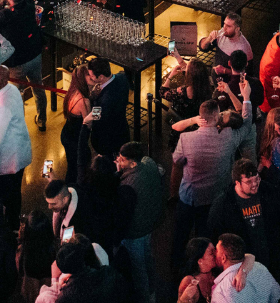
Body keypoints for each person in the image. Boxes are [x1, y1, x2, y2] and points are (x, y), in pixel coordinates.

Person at [172, 85, 253, 266]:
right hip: (214, 197)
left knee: (180, 235)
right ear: (216, 116)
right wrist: (246, 97)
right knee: (206, 236)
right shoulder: (228, 136)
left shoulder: (186, 139)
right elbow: (247, 123)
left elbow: (176, 162)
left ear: (201, 117)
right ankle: (203, 267)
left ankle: (175, 267)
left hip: (189, 197)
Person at [0, 65, 33, 232]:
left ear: (4, 80)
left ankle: (5, 231)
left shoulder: (1, 106)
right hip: (17, 155)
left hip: (6, 162)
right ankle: (14, 227)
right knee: (14, 195)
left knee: (1, 199)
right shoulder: (12, 89)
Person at [0, 0, 47, 131]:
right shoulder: (29, 3)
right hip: (35, 54)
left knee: (16, 96)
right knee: (38, 87)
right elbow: (22, 0)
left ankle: (20, 126)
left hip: (17, 63)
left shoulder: (7, 15)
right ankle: (42, 120)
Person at [116, 141, 165, 303]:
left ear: (133, 163)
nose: (119, 161)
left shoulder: (128, 183)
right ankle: (153, 293)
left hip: (135, 231)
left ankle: (145, 298)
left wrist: (117, 174)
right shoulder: (149, 163)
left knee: (138, 268)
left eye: (122, 159)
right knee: (148, 257)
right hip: (149, 223)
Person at [210, 233, 280, 303]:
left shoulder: (221, 291)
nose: (214, 253)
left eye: (216, 250)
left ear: (223, 258)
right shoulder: (260, 267)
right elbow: (276, 294)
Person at [85, 56, 130, 161]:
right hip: (122, 130)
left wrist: (92, 98)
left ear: (101, 77)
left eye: (91, 75)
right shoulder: (122, 77)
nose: (90, 77)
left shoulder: (105, 100)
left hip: (107, 140)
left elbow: (96, 118)